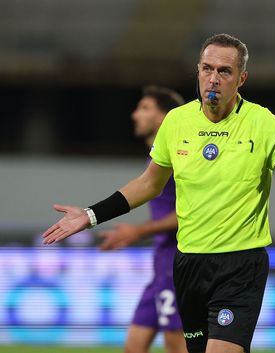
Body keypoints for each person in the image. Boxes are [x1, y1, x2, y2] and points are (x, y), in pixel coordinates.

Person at [42, 33, 275, 353]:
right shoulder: (177, 121)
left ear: (241, 78)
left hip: (240, 265)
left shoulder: (262, 123)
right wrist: (91, 215)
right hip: (189, 264)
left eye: (224, 71)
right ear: (198, 71)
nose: (214, 78)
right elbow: (148, 183)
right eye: (207, 69)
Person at [97, 85, 187, 353]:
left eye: (144, 108)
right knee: (134, 346)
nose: (135, 115)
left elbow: (193, 213)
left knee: (176, 344)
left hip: (178, 263)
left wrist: (138, 231)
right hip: (162, 265)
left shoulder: (178, 157)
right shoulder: (157, 158)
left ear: (163, 118)